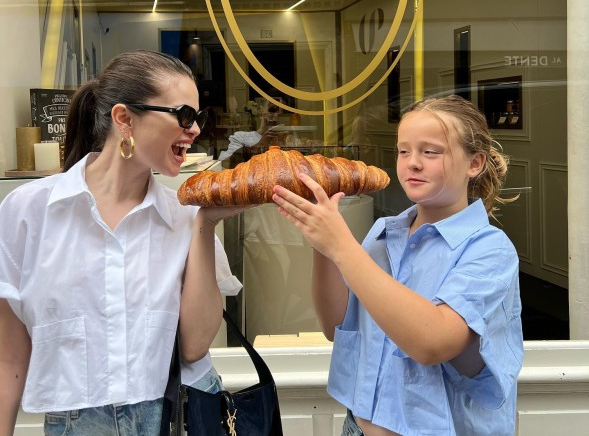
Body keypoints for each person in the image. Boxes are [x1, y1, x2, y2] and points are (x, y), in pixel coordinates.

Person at [0, 50, 243, 436]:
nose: (195, 129)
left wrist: (206, 224)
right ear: (124, 119)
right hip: (75, 425)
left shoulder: (186, 217)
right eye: (183, 115)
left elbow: (195, 346)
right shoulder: (29, 212)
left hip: (177, 416)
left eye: (198, 118)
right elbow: (10, 355)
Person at [272, 94, 523, 436]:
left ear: (474, 163)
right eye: (404, 151)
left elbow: (431, 342)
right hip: (355, 426)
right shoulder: (382, 234)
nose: (412, 163)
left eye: (430, 152)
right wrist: (323, 245)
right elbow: (335, 325)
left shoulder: (489, 250)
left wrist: (341, 246)